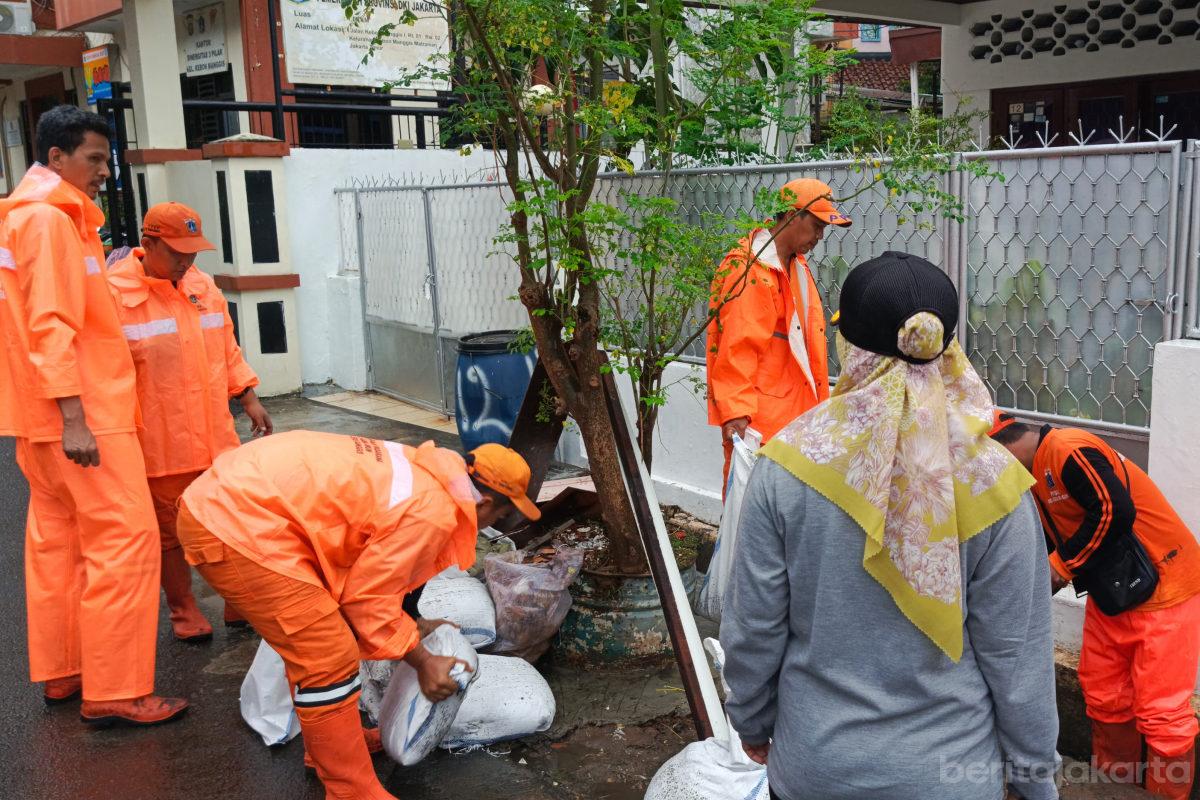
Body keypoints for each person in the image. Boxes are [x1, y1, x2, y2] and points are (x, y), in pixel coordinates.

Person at [721, 252, 1060, 800]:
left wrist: (753, 722)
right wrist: (1032, 775)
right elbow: (1017, 661)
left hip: (816, 769)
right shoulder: (997, 487)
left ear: (847, 346)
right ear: (948, 347)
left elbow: (753, 629)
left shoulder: (785, 468)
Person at [175, 432, 542, 800]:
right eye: (501, 515)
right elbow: (367, 601)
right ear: (486, 503)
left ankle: (332, 748)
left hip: (241, 502)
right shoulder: (432, 512)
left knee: (320, 639)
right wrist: (424, 661)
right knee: (326, 655)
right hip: (236, 521)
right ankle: (352, 791)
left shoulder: (430, 474)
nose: (497, 523)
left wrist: (413, 625)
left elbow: (375, 576)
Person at [0, 105, 187, 725]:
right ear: (55, 158)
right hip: (85, 418)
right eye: (94, 160)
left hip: (38, 420)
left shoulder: (26, 220)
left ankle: (65, 671)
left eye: (106, 160)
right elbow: (50, 327)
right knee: (123, 544)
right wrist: (76, 416)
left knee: (60, 545)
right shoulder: (51, 223)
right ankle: (116, 689)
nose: (105, 172)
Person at [991, 413, 1200, 799]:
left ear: (999, 451)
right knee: (1106, 698)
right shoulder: (1032, 479)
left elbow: (1113, 511)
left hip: (1164, 588)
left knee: (1161, 714)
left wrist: (1060, 568)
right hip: (1115, 593)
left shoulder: (1066, 448)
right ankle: (1115, 791)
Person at [107, 202, 272, 642]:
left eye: (193, 252)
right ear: (148, 244)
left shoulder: (203, 287)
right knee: (170, 535)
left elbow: (226, 348)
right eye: (177, 251)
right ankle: (183, 609)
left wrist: (248, 395)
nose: (187, 261)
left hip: (215, 435)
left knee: (232, 519)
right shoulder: (114, 296)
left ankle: (239, 602)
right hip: (158, 444)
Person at [706, 178, 851, 484]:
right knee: (751, 521)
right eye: (817, 225)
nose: (820, 236)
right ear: (791, 215)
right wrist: (736, 414)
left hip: (796, 422)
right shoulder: (750, 269)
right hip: (760, 427)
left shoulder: (794, 266)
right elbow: (736, 347)